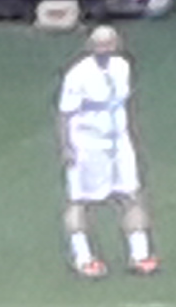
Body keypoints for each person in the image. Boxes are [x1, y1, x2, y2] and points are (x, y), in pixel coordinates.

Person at [59, 24, 159, 279]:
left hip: (119, 142)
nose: (104, 50)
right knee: (80, 201)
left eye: (108, 44)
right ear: (91, 47)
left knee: (131, 195)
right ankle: (83, 257)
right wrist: (67, 147)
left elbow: (123, 105)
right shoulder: (77, 75)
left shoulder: (122, 67)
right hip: (87, 144)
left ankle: (140, 254)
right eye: (99, 45)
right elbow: (65, 113)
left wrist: (131, 134)